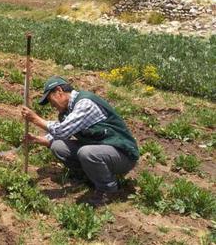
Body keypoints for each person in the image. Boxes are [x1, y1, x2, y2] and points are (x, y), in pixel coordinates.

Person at [21, 76, 139, 206]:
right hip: (101, 150)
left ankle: (108, 189)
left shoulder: (85, 103)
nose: (52, 105)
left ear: (59, 90)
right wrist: (38, 139)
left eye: (51, 100)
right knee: (58, 146)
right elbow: (59, 135)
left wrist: (35, 119)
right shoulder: (66, 112)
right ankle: (91, 177)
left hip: (123, 155)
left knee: (86, 152)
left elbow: (62, 130)